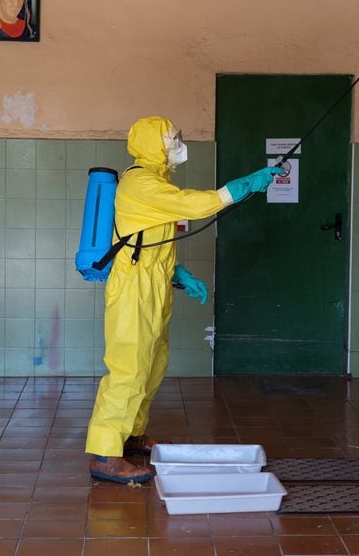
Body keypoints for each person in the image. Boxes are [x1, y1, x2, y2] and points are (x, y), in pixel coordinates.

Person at [86, 115, 284, 484]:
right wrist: (240, 187)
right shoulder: (141, 182)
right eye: (171, 138)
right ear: (152, 144)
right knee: (129, 366)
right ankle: (103, 453)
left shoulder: (155, 181)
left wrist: (177, 274)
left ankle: (130, 436)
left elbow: (144, 240)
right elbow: (194, 206)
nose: (177, 143)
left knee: (152, 363)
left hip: (154, 283)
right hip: (133, 289)